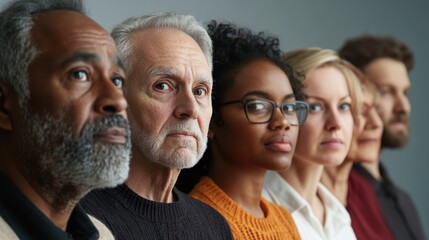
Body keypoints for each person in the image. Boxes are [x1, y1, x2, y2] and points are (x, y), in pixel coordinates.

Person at [81, 12, 233, 239]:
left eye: (199, 91)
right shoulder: (74, 216)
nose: (190, 109)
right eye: (163, 86)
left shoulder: (214, 225)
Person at [0, 0, 131, 239]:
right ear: (3, 105)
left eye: (117, 80)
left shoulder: (102, 234)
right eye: (80, 74)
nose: (118, 101)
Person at [182, 21, 305, 239]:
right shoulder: (195, 223)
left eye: (288, 107)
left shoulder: (284, 219)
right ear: (211, 120)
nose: (282, 121)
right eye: (257, 106)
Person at [263, 48, 361, 240]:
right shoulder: (257, 208)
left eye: (344, 106)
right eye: (315, 107)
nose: (335, 123)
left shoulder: (337, 214)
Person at [339, 34, 426, 240]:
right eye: (386, 92)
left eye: (405, 92)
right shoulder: (336, 195)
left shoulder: (402, 200)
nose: (403, 107)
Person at [321, 71, 395, 239]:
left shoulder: (365, 189)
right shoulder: (300, 196)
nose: (376, 123)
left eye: (376, 110)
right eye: (361, 111)